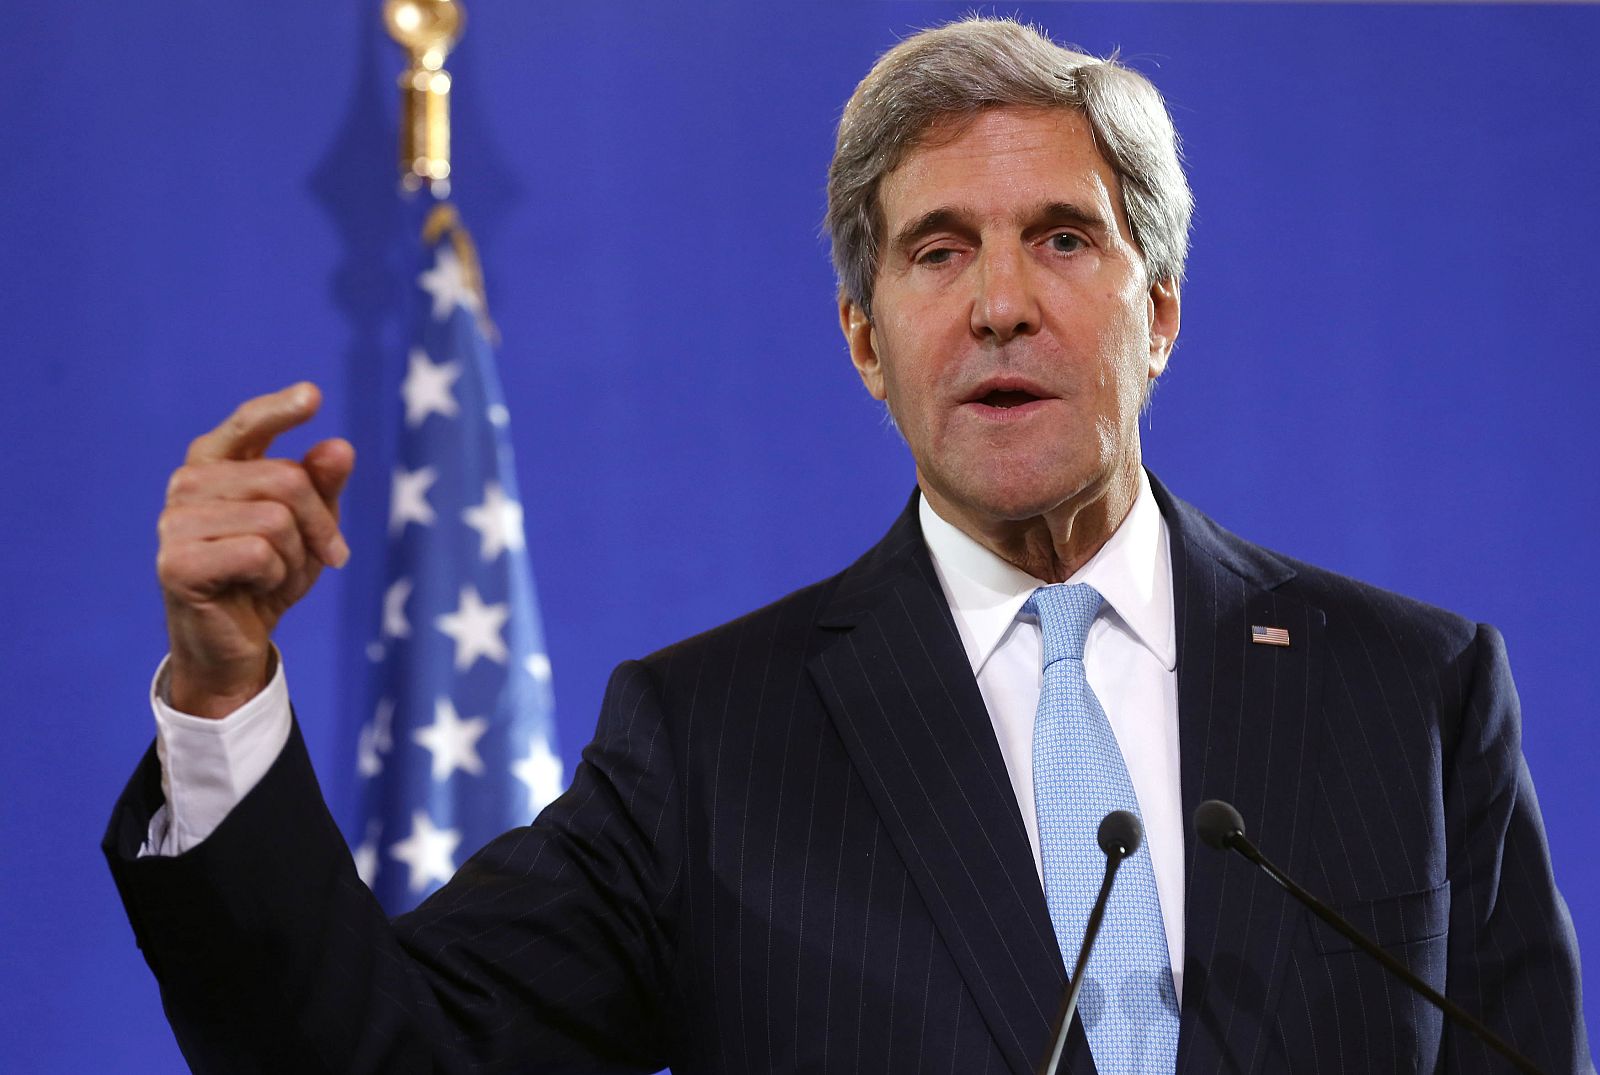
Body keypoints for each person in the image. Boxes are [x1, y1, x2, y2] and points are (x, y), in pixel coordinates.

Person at [105, 16, 1590, 1074]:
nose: (1001, 302)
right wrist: (225, 696)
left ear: (1161, 316)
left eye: (1064, 239)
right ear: (866, 344)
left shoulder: (1414, 691)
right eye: (939, 250)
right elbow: (385, 1052)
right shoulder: (711, 745)